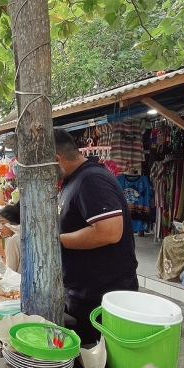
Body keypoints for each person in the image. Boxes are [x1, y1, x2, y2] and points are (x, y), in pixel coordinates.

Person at [54, 127, 139, 345]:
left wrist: (55, 241)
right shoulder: (73, 181)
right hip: (85, 292)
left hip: (102, 295)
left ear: (56, 159)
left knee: (98, 364)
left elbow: (109, 231)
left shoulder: (90, 180)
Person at [157, 209, 184, 281]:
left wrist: (183, 229)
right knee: (168, 240)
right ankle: (166, 272)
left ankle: (171, 274)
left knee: (168, 241)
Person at [0, 202, 21, 274]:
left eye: (2, 223)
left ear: (13, 223)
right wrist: (0, 248)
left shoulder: (13, 240)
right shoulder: (21, 236)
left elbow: (10, 273)